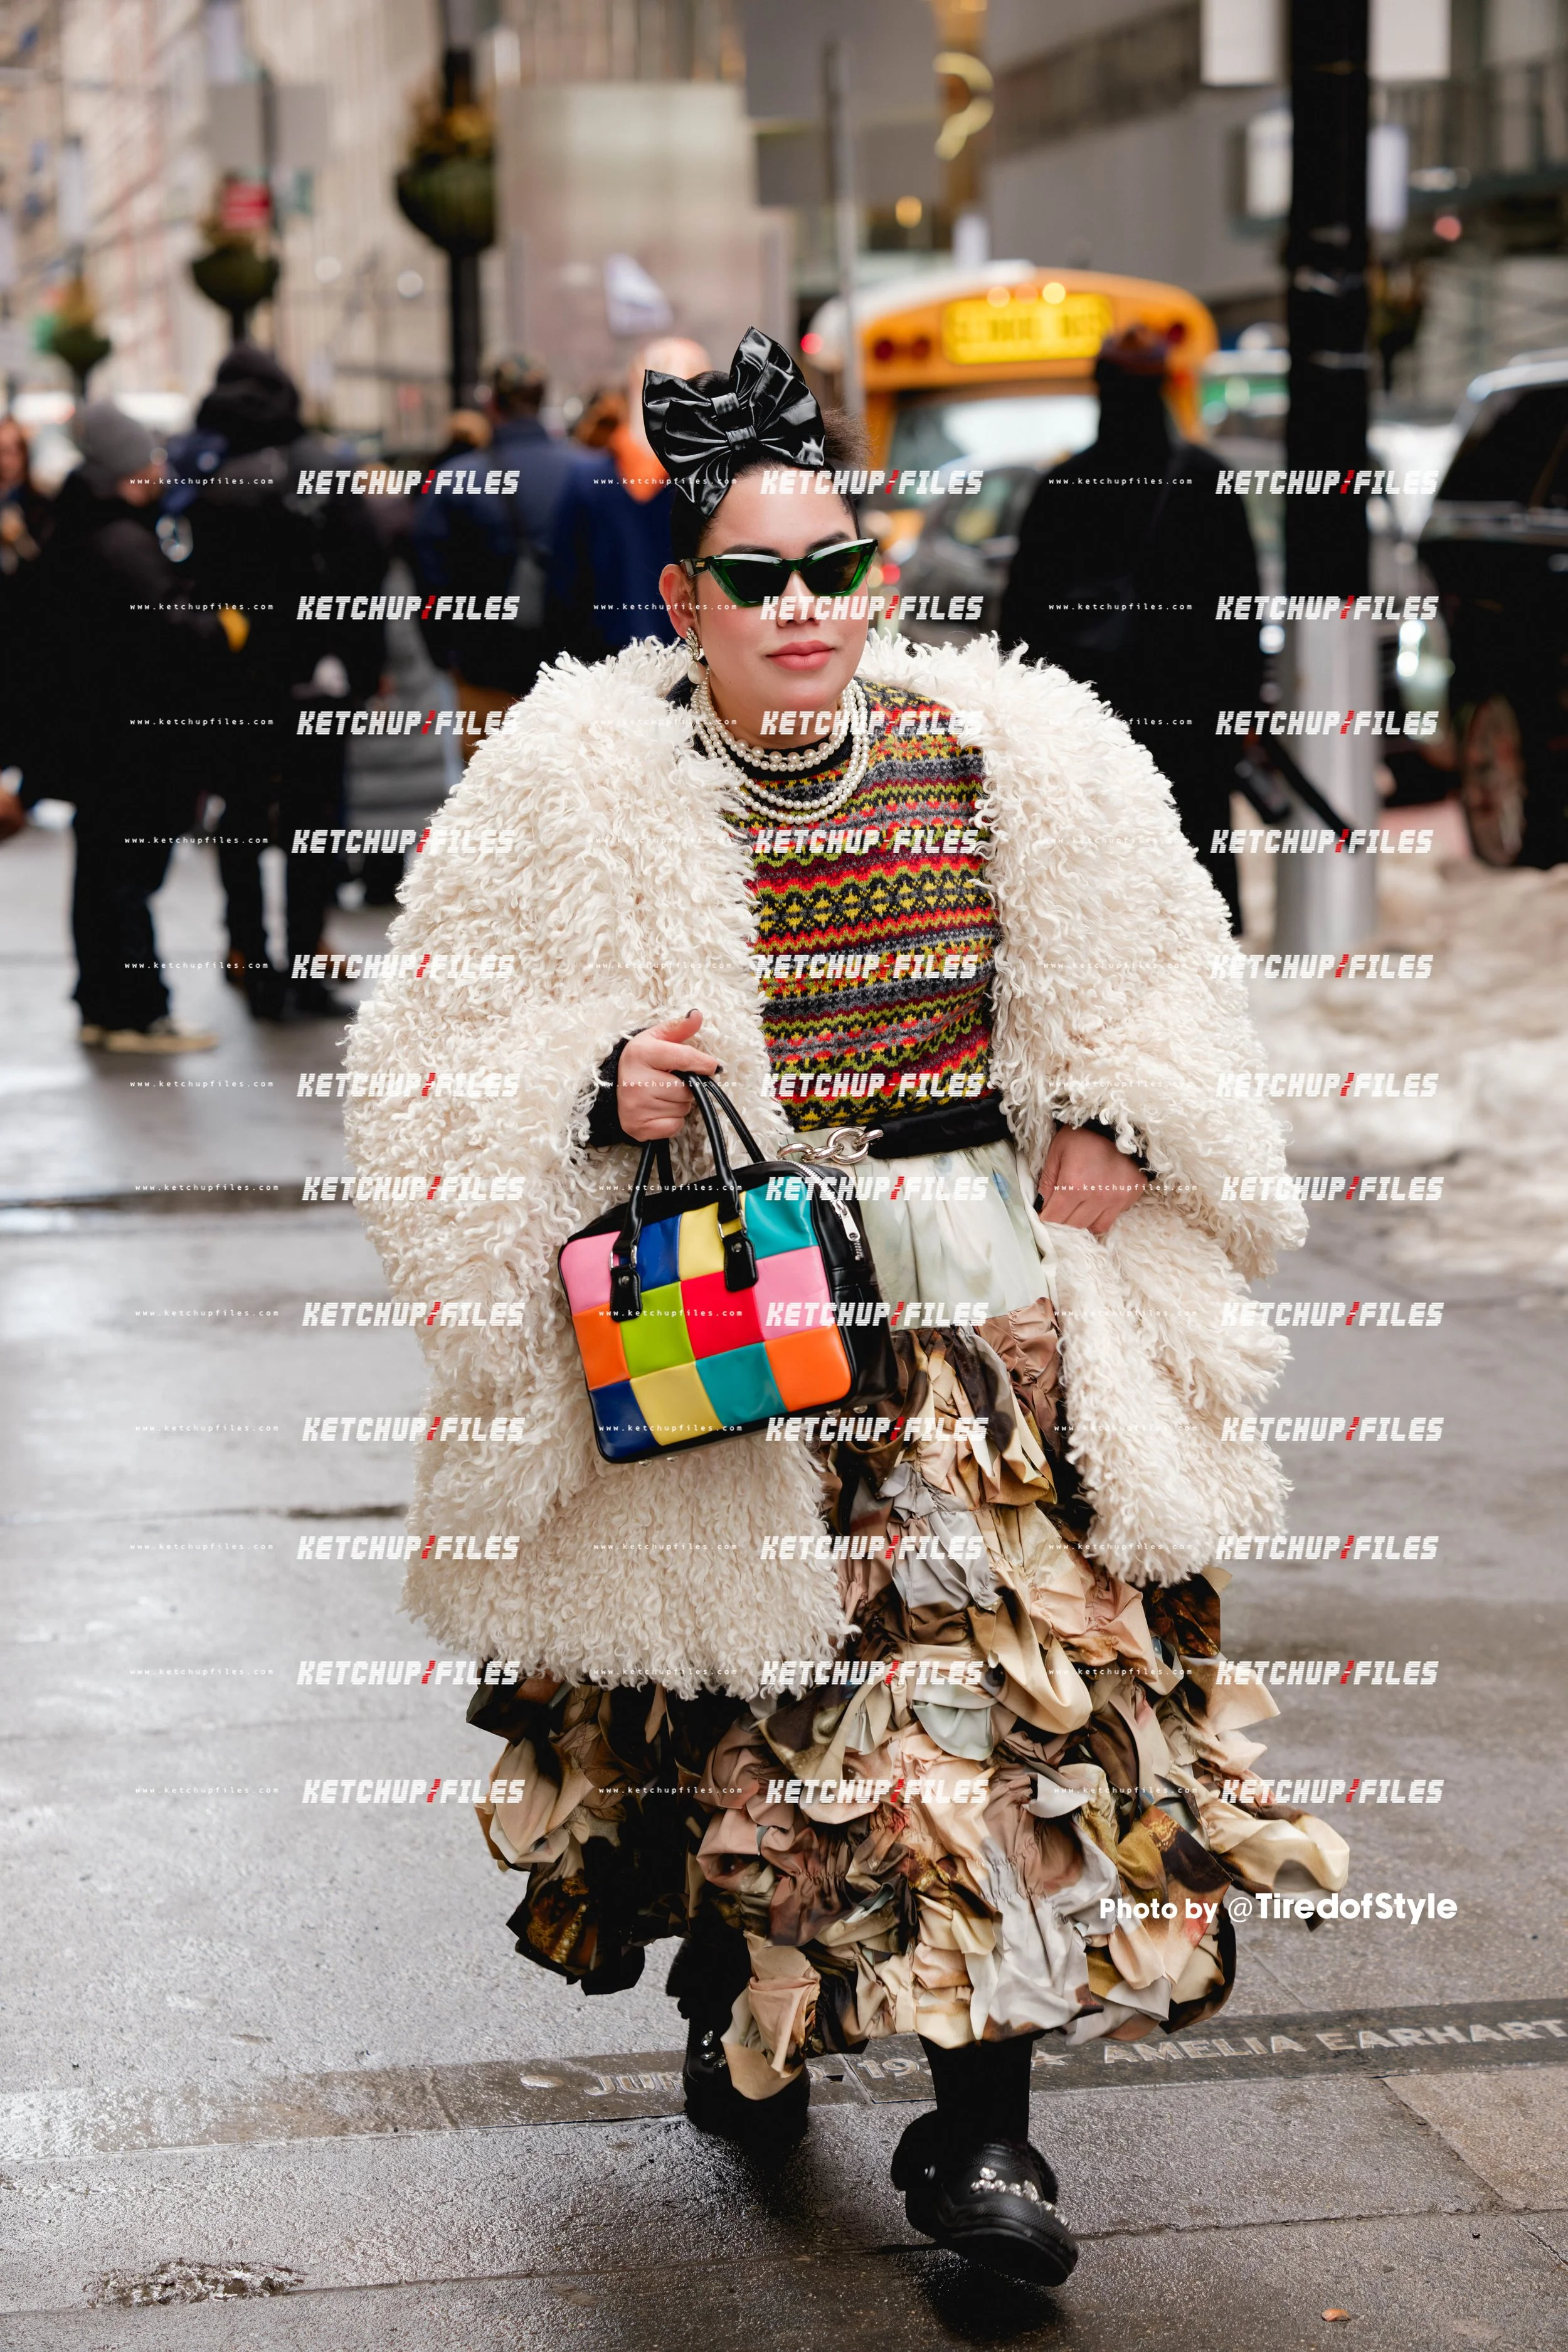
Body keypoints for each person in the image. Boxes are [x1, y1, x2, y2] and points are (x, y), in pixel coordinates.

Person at [347, 331, 1345, 2286]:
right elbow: (429, 1051)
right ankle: (747, 1991)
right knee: (753, 1728)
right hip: (733, 1318)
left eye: (830, 570)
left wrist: (1123, 1119)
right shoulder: (568, 780)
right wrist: (589, 1085)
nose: (798, 610)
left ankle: (981, 2145)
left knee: (984, 1721)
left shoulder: (1025, 752)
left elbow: (1160, 985)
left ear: (875, 577)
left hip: (978, 1318)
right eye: (753, 577)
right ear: (681, 595)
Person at [999, 324, 1263, 931]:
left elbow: (1021, 627)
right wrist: (1242, 712)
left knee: (1100, 913)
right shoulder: (1208, 482)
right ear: (1167, 387)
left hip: (1090, 731)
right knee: (1195, 909)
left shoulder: (1062, 491)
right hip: (1191, 724)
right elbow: (1241, 612)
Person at [186, 344, 386, 1019]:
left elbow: (200, 589)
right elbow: (365, 570)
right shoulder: (329, 468)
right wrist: (362, 666)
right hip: (318, 676)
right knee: (315, 820)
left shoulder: (215, 482)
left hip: (238, 681)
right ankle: (307, 960)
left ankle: (251, 956)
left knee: (241, 818)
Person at [33, 401, 232, 1051]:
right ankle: (137, 1013)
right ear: (123, 469)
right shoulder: (125, 542)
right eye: (147, 459)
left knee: (99, 871)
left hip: (95, 738)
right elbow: (174, 630)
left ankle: (100, 1005)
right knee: (130, 877)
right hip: (134, 743)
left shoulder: (78, 532)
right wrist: (225, 626)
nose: (157, 469)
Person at [411, 357, 582, 760]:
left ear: (491, 404)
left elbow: (429, 577)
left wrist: (445, 656)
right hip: (575, 685)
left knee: (490, 808)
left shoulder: (454, 481)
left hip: (484, 675)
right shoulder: (586, 471)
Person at [544, 336, 709, 663]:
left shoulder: (586, 481)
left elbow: (562, 593)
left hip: (604, 670)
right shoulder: (717, 484)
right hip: (696, 669)